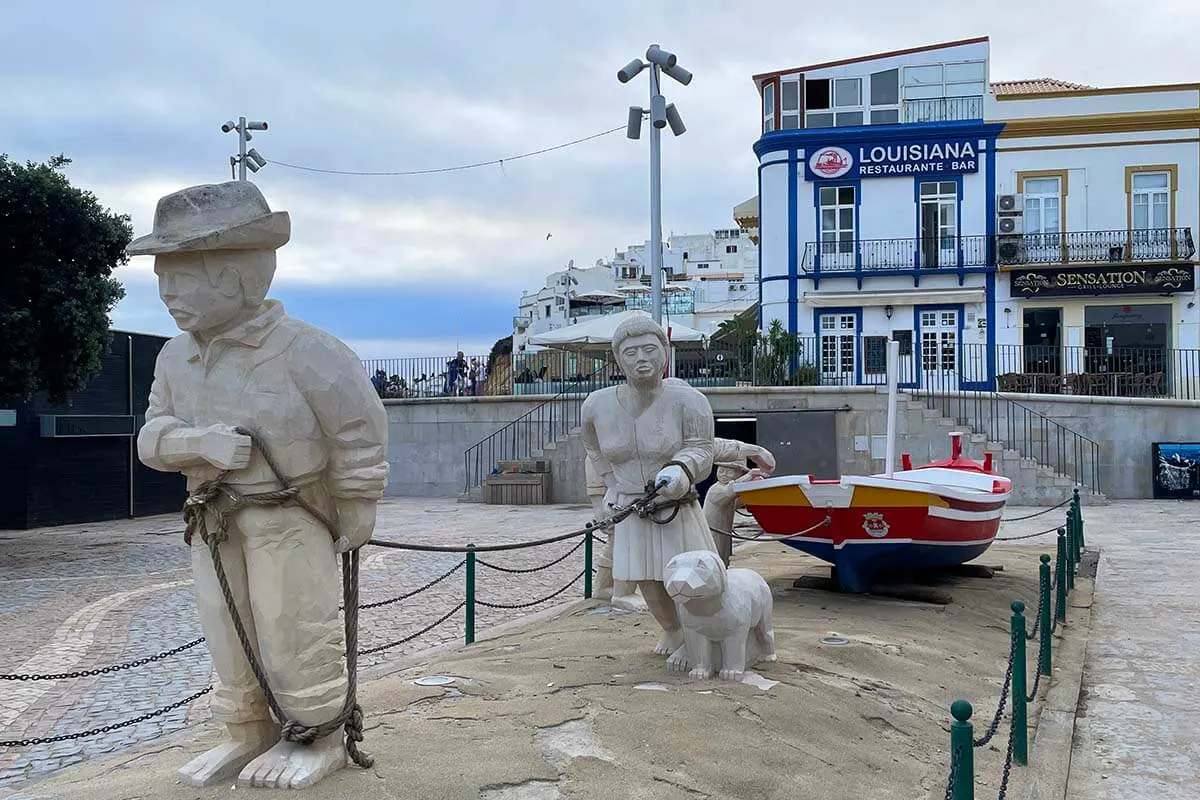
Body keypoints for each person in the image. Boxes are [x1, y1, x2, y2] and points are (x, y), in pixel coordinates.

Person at [131, 181, 389, 791]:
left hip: (289, 520)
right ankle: (245, 731)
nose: (168, 293)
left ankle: (318, 733)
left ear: (237, 275)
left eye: (182, 277)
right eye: (161, 278)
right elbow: (151, 435)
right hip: (210, 521)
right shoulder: (174, 358)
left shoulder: (308, 351)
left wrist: (357, 503)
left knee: (291, 623)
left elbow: (359, 429)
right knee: (225, 625)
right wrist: (196, 443)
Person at [580, 312, 718, 658]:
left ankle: (699, 637)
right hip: (630, 506)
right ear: (618, 358)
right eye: (630, 352)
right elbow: (593, 447)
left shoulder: (689, 400)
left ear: (664, 353)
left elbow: (702, 446)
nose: (641, 359)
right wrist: (611, 483)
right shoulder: (596, 405)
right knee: (646, 579)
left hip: (675, 507)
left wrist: (682, 469)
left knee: (688, 578)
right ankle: (674, 633)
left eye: (649, 350)